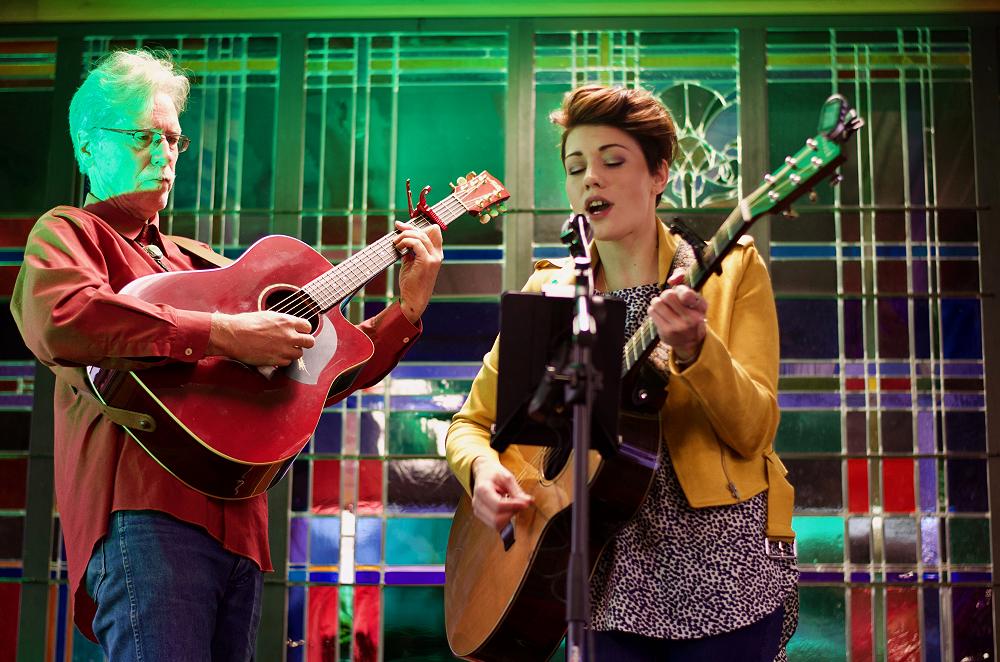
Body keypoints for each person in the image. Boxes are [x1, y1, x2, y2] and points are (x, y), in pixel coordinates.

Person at [11, 49, 442, 660]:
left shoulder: (197, 260)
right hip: (145, 514)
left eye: (173, 140)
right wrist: (223, 333)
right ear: (87, 146)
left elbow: (316, 378)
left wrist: (407, 310)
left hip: (242, 529)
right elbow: (62, 317)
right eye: (143, 137)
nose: (164, 154)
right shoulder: (70, 233)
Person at [446, 85, 798, 661]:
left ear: (659, 174)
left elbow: (754, 430)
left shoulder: (729, 272)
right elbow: (470, 424)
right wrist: (482, 469)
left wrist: (697, 349)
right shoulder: (552, 293)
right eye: (576, 167)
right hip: (600, 589)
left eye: (612, 161)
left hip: (726, 578)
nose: (591, 178)